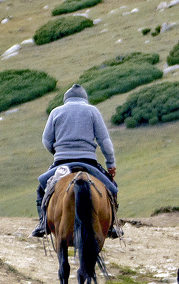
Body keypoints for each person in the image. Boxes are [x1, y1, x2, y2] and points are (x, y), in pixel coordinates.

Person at [32, 83, 120, 238]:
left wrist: (57, 152)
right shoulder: (92, 111)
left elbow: (46, 141)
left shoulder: (56, 112)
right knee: (111, 188)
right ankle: (111, 226)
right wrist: (110, 164)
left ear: (66, 99)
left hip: (61, 163)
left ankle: (42, 224)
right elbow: (105, 142)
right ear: (84, 99)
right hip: (89, 162)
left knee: (42, 189)